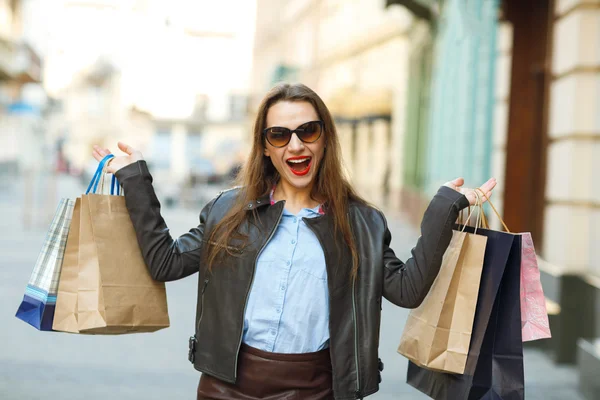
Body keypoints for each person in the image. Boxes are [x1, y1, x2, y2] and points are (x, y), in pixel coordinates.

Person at [92, 83, 496, 400]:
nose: (296, 144)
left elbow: (408, 290)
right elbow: (165, 263)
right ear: (266, 148)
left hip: (318, 388)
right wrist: (135, 179)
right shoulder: (228, 211)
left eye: (308, 130)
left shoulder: (361, 222)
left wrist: (444, 208)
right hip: (227, 386)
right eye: (280, 135)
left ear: (324, 139)